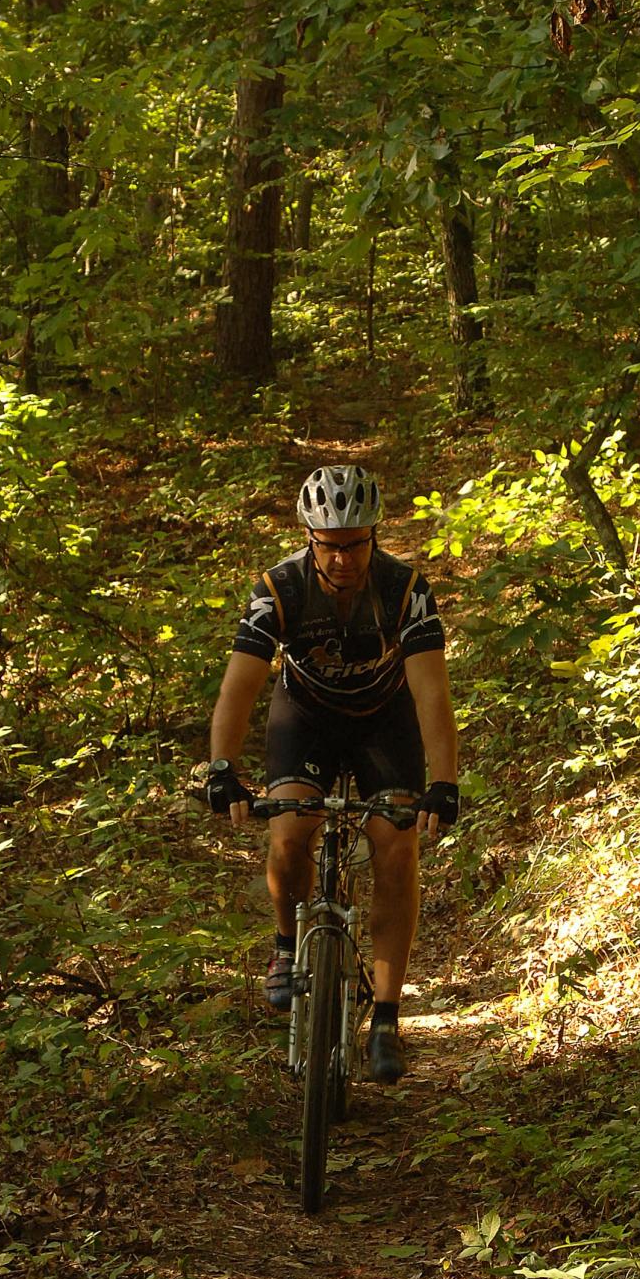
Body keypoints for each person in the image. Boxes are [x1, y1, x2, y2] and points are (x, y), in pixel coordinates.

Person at [205, 464, 459, 1084]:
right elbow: (238, 689)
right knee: (290, 831)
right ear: (310, 538)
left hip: (383, 719)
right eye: (330, 545)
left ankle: (387, 1017)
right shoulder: (279, 588)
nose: (343, 559)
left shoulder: (404, 589)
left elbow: (431, 693)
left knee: (396, 848)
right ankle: (288, 945)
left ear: (374, 536)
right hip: (306, 717)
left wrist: (445, 781)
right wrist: (221, 767)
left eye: (356, 544)